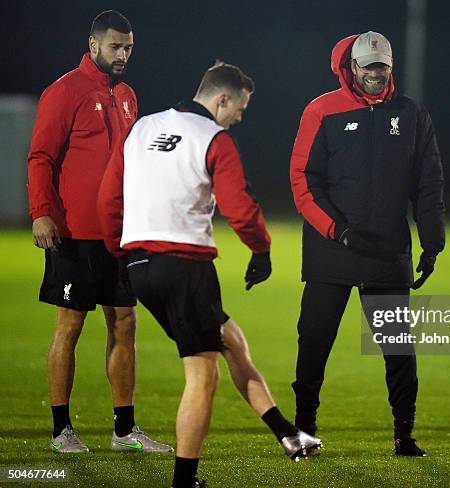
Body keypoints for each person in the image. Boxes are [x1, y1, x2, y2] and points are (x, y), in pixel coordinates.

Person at [98, 62, 321, 488]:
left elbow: (109, 197)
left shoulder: (141, 128)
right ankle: (184, 482)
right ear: (222, 99)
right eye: (240, 107)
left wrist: (120, 252)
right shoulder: (213, 139)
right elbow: (240, 208)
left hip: (140, 266)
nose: (240, 117)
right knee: (203, 375)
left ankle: (287, 434)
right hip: (186, 267)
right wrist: (261, 250)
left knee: (231, 340)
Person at [289, 31, 445, 456]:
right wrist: (335, 229)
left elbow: (428, 183)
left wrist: (432, 241)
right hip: (331, 250)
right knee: (315, 340)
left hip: (385, 251)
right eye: (368, 66)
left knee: (397, 347)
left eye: (382, 66)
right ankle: (303, 430)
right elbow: (303, 180)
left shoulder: (412, 115)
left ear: (391, 68)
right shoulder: (321, 110)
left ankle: (404, 434)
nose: (375, 74)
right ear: (351, 68)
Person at [27, 10, 171, 453]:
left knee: (124, 323)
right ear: (93, 46)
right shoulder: (64, 91)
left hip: (119, 232)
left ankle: (124, 431)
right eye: (115, 47)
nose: (123, 54)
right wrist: (41, 212)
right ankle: (60, 431)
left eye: (128, 47)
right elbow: (40, 157)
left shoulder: (128, 95)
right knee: (69, 326)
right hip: (73, 233)